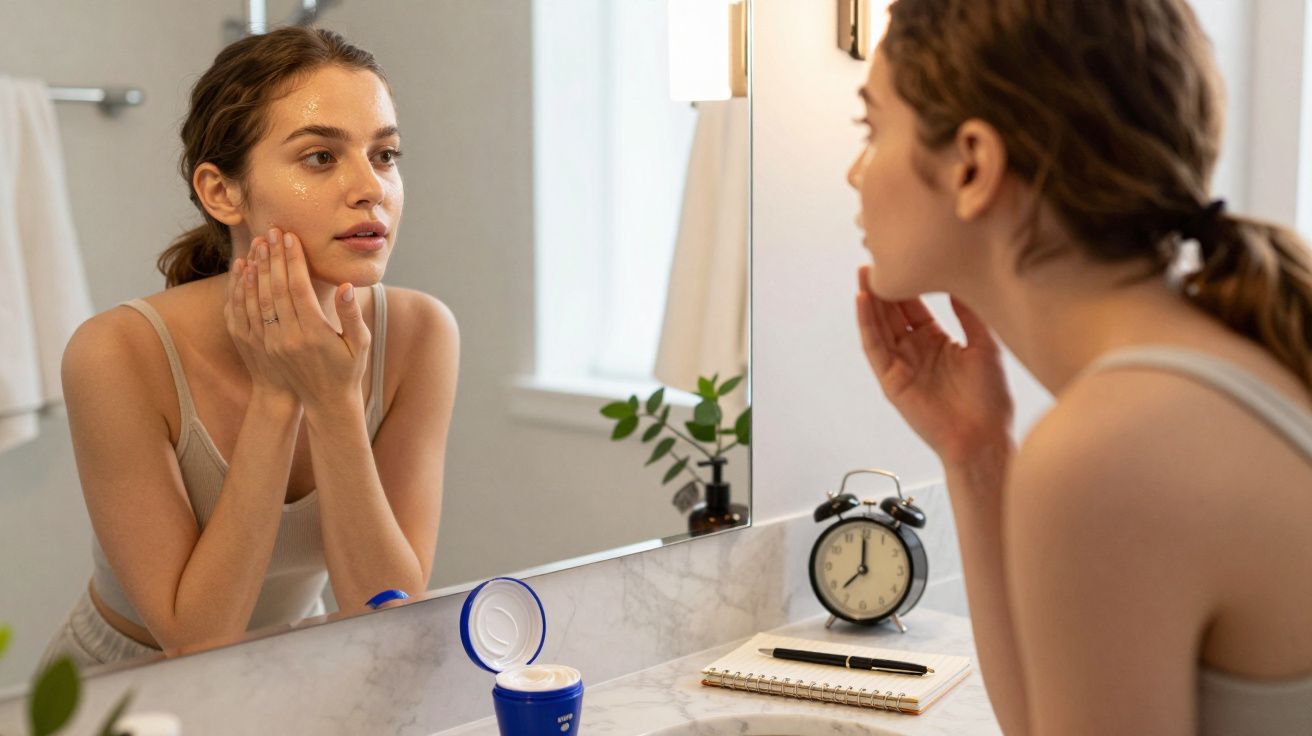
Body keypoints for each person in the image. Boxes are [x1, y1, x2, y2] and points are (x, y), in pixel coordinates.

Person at [848, 1, 1312, 734]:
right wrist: (975, 454)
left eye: (871, 129)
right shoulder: (1220, 368)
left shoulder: (1113, 454)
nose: (854, 173)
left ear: (973, 164)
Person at [38, 27, 458, 669]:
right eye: (321, 156)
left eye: (385, 155)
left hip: (300, 666)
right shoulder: (116, 353)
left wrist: (334, 401)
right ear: (222, 192)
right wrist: (276, 393)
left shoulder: (421, 335)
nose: (371, 187)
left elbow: (389, 617)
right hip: (125, 683)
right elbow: (195, 642)